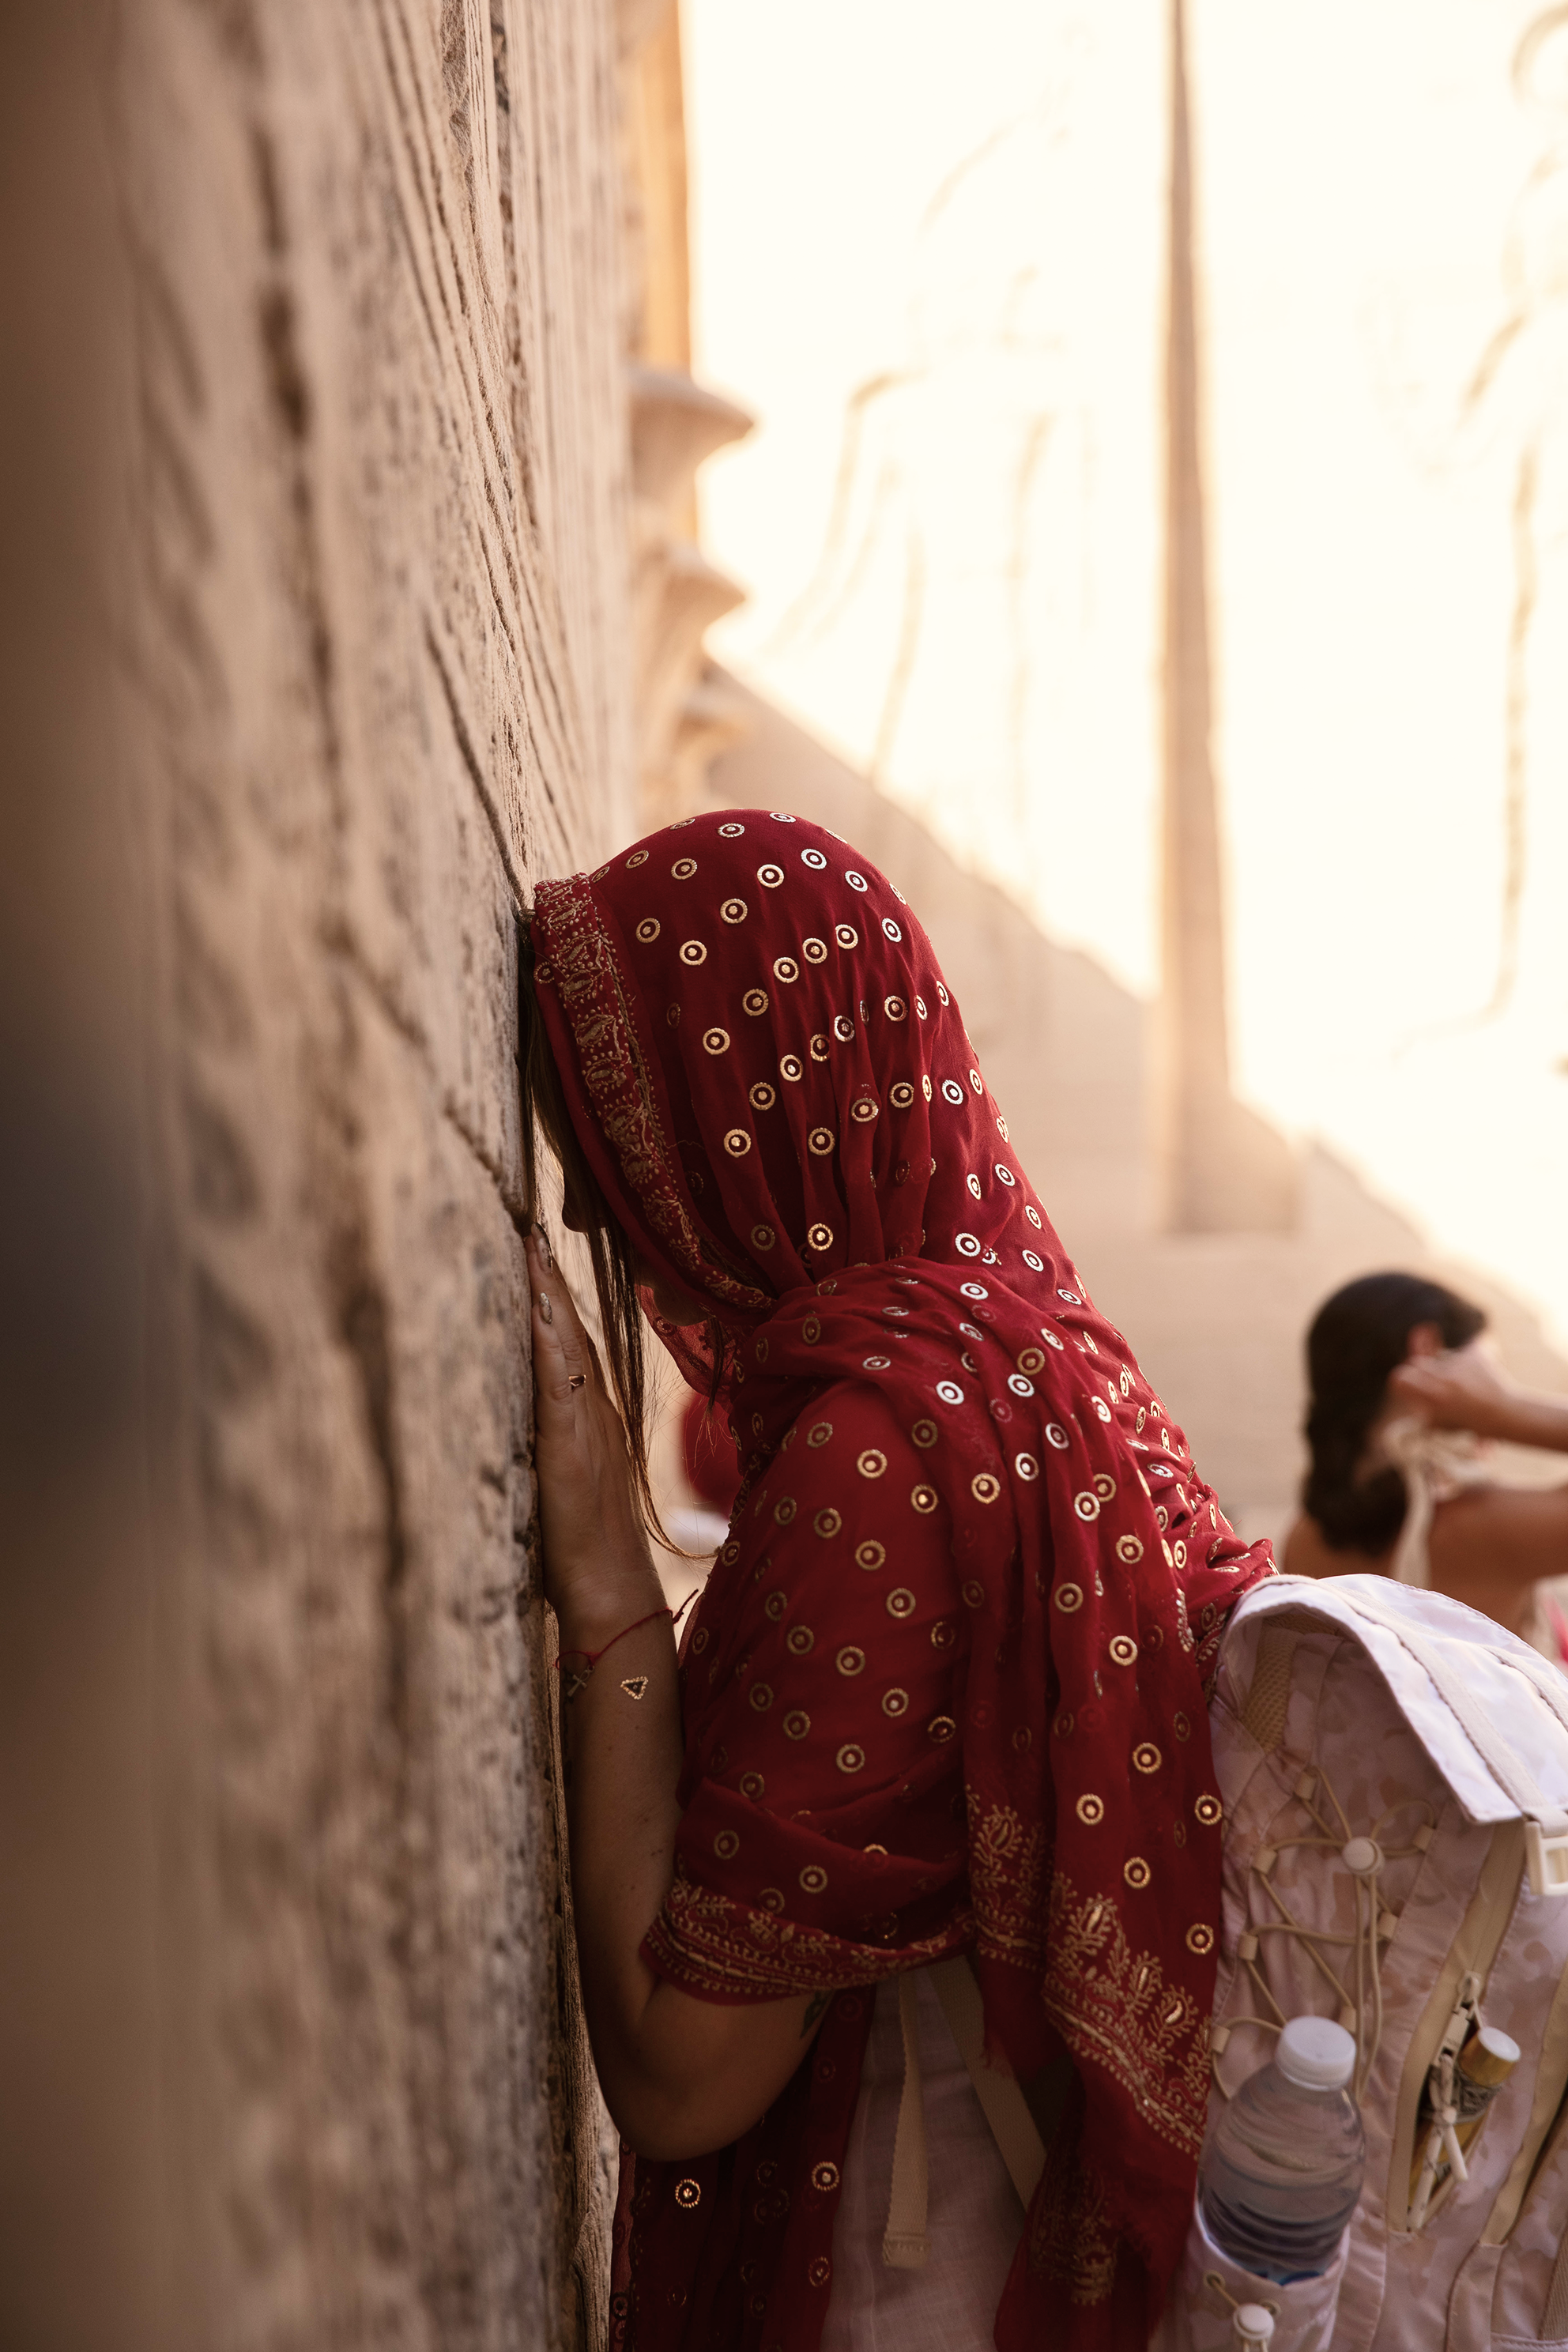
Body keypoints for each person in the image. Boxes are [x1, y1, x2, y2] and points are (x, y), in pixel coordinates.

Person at [518, 812, 1273, 2352]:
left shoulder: (876, 1446)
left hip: (906, 2270)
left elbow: (680, 2075)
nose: (601, 1214)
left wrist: (603, 1595)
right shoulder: (1038, 1346)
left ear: (744, 1122)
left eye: (618, 1139)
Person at [1282, 1271, 1568, 1636]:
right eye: (1491, 1367)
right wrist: (1507, 1412)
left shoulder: (1305, 1538)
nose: (1495, 1384)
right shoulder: (1487, 1526)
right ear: (1427, 1347)